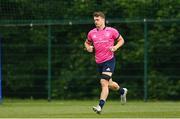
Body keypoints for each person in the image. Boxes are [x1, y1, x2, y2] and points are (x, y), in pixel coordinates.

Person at [84, 11, 128, 114]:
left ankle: (100, 106)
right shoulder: (91, 33)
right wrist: (88, 48)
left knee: (103, 83)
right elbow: (86, 42)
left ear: (103, 20)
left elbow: (121, 40)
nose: (96, 22)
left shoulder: (112, 31)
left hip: (109, 60)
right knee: (109, 84)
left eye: (98, 19)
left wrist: (115, 47)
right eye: (94, 20)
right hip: (99, 62)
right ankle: (122, 91)